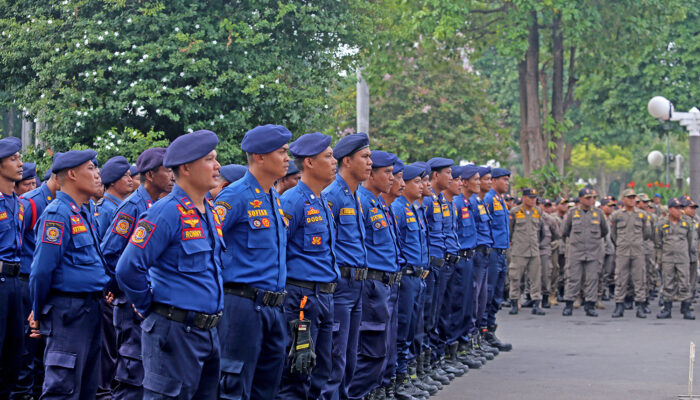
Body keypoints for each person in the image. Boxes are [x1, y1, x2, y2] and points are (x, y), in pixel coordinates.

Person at [116, 131, 224, 399]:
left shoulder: (207, 211)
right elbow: (128, 268)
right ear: (186, 168)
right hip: (175, 334)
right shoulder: (166, 211)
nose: (217, 166)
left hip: (207, 333)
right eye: (209, 159)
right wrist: (147, 307)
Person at [214, 125, 290, 400]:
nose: (287, 157)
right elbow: (209, 245)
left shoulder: (274, 199)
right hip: (243, 306)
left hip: (274, 307)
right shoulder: (235, 196)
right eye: (281, 151)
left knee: (267, 387)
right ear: (258, 156)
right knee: (234, 386)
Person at [28, 149, 109, 399]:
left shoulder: (84, 212)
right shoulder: (58, 214)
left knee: (86, 387)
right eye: (91, 169)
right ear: (72, 174)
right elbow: (41, 271)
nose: (98, 175)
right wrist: (38, 310)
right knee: (62, 388)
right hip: (68, 313)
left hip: (90, 309)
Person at [101, 147, 173, 400]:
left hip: (151, 304)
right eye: (167, 170)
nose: (173, 175)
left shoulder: (161, 204)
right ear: (150, 175)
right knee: (132, 377)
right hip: (132, 305)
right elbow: (110, 253)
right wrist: (121, 290)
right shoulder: (133, 206)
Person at [276, 132, 338, 400]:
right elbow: (278, 249)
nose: (335, 161)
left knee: (321, 370)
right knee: (297, 372)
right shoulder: (293, 200)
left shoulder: (321, 199)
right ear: (310, 163)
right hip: (301, 298)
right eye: (328, 156)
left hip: (323, 295)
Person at [321, 133, 371, 400]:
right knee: (335, 359)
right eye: (365, 157)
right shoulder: (332, 196)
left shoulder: (356, 196)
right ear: (347, 161)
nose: (370, 162)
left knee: (351, 358)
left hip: (357, 286)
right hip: (341, 287)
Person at [350, 151, 404, 399]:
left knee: (384, 347)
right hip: (370, 284)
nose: (393, 179)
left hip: (385, 283)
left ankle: (376, 391)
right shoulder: (360, 201)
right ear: (371, 175)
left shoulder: (377, 202)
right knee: (369, 349)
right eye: (388, 173)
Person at [392, 163, 440, 397]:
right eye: (417, 182)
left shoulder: (414, 209)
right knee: (402, 332)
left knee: (414, 330)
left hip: (419, 276)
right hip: (407, 277)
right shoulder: (399, 209)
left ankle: (410, 374)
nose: (423, 186)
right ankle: (399, 379)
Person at [15, 160, 61, 399]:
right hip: (26, 282)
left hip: (47, 285)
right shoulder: (31, 202)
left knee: (43, 351)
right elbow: (15, 241)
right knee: (27, 350)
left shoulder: (68, 205)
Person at [452, 165, 487, 369]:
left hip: (472, 256)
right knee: (461, 306)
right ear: (464, 182)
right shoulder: (457, 203)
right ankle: (456, 350)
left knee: (472, 303)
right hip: (460, 259)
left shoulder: (467, 202)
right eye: (475, 179)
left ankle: (465, 345)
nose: (480, 182)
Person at [0, 137, 24, 398]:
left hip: (15, 283)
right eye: (13, 159)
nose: (20, 164)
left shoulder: (16, 201)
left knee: (14, 353)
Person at [561, 188, 608, 317]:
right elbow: (565, 231)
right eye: (588, 198)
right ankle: (569, 304)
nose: (591, 200)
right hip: (576, 251)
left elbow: (604, 231)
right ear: (580, 199)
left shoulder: (598, 213)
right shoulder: (572, 213)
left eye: (592, 198)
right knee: (573, 278)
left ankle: (590, 305)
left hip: (593, 251)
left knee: (592, 279)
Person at [482, 167, 512, 351]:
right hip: (492, 252)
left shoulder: (500, 200)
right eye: (504, 179)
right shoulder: (488, 200)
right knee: (488, 293)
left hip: (501, 252)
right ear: (493, 181)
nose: (507, 183)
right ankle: (483, 333)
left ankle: (490, 330)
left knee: (497, 295)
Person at [608, 189, 651, 318]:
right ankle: (619, 306)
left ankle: (640, 306)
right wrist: (621, 244)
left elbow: (647, 233)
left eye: (633, 197)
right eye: (629, 197)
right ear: (624, 199)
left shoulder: (642, 215)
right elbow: (613, 235)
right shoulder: (617, 215)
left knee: (639, 279)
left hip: (638, 251)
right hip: (622, 251)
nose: (632, 200)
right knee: (620, 278)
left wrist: (636, 242)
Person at [508, 188, 546, 315]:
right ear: (524, 198)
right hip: (519, 250)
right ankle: (514, 302)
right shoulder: (515, 212)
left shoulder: (538, 211)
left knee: (535, 278)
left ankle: (536, 303)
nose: (533, 200)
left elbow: (541, 232)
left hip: (534, 251)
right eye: (530, 197)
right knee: (515, 278)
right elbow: (510, 230)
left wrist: (536, 244)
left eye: (535, 197)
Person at [656, 197, 695, 320]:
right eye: (676, 209)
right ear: (670, 209)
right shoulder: (662, 223)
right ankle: (667, 309)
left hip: (682, 257)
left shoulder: (687, 222)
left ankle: (686, 308)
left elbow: (690, 240)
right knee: (668, 283)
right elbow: (658, 241)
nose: (679, 211)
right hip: (668, 257)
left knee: (685, 283)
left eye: (680, 208)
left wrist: (685, 252)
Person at [538, 198, 561, 309]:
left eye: (548, 206)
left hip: (548, 248)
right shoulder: (528, 217)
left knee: (550, 272)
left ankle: (550, 295)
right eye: (544, 205)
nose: (547, 208)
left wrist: (553, 244)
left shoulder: (550, 219)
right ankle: (532, 298)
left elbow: (557, 235)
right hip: (532, 249)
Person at [599, 197, 617, 302]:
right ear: (602, 206)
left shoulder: (612, 219)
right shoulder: (598, 217)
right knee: (598, 272)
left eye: (612, 206)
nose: (611, 208)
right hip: (600, 248)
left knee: (608, 272)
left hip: (610, 248)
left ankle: (604, 291)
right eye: (608, 206)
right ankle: (598, 293)